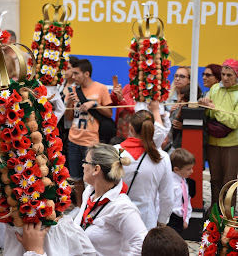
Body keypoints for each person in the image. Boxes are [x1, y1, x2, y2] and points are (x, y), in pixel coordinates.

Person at [73, 143, 148, 255]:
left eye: (86, 162)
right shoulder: (89, 192)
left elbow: (141, 245)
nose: (83, 165)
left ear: (96, 169)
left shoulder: (123, 208)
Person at [114, 110, 174, 229]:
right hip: (146, 220)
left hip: (116, 217)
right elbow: (167, 197)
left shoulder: (115, 151)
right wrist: (162, 220)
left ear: (131, 128)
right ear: (152, 129)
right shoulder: (162, 157)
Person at [64, 59, 112, 208]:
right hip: (73, 139)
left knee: (92, 176)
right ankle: (79, 207)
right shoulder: (72, 90)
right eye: (73, 73)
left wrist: (94, 104)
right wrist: (69, 104)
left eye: (76, 73)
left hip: (91, 141)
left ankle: (91, 205)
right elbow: (69, 117)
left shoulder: (101, 88)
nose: (73, 77)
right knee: (76, 177)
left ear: (86, 74)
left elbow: (109, 113)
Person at [198, 58, 238, 208]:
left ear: (236, 76)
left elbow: (234, 121)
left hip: (232, 145)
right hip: (213, 142)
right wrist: (205, 107)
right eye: (223, 74)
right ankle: (215, 215)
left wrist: (214, 109)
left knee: (229, 182)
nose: (225, 78)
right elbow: (209, 116)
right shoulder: (215, 89)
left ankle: (228, 215)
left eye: (230, 75)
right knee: (214, 180)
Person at [167, 148, 195, 235]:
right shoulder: (171, 184)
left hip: (180, 220)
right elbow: (164, 202)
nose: (192, 171)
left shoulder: (184, 181)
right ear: (176, 169)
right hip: (170, 219)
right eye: (188, 169)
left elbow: (187, 200)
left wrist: (186, 218)